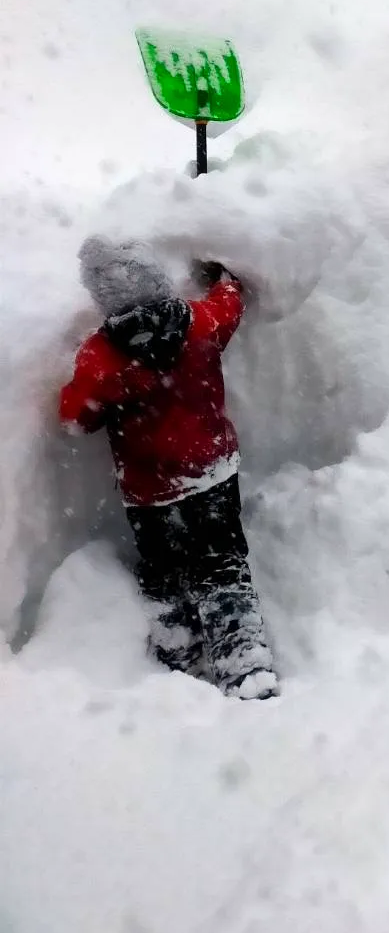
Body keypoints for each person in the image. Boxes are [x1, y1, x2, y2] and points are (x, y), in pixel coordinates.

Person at [59, 236, 278, 700]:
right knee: (221, 563)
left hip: (150, 492)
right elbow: (229, 304)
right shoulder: (199, 322)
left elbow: (76, 419)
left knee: (162, 567)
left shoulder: (101, 358)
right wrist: (223, 278)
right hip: (213, 473)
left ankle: (179, 656)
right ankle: (243, 661)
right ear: (158, 279)